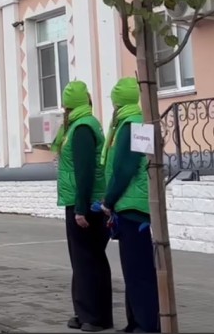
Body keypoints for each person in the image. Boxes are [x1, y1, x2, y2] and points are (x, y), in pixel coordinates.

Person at [100, 78, 160, 334]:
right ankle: (136, 322)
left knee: (139, 271)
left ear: (118, 102)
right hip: (132, 204)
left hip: (132, 207)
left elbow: (125, 169)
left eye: (114, 101)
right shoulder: (134, 122)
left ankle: (146, 324)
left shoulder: (132, 125)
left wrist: (108, 200)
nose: (113, 106)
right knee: (134, 270)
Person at [53, 80, 112, 332]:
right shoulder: (80, 125)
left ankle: (96, 317)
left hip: (86, 204)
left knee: (89, 260)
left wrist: (80, 208)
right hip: (81, 201)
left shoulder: (82, 129)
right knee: (82, 260)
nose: (63, 109)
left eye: (65, 105)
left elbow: (85, 171)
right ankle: (83, 312)